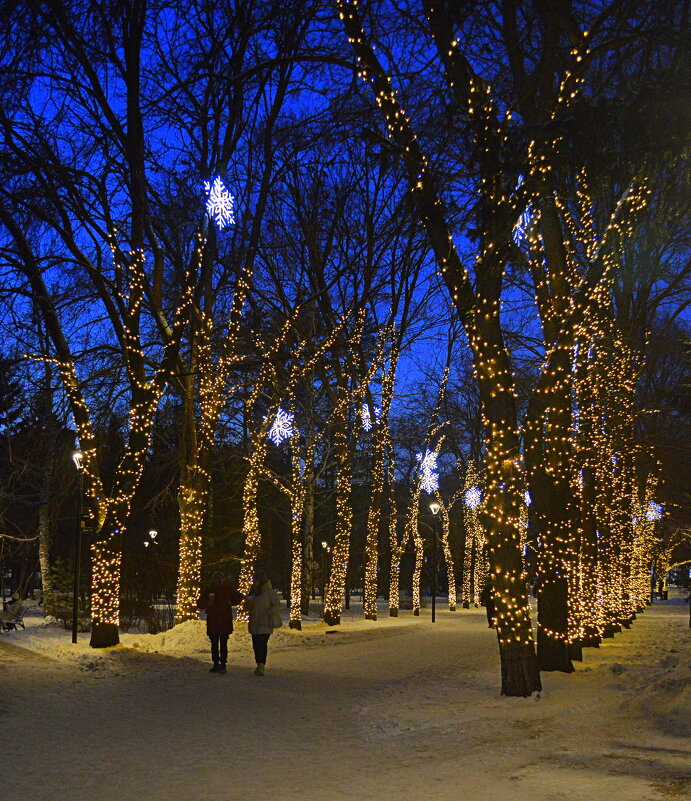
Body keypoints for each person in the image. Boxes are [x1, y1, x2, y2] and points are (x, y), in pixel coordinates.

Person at [197, 572, 244, 674]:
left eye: (220, 578)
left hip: (224, 619)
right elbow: (200, 603)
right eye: (217, 578)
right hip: (213, 619)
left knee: (223, 643)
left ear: (223, 579)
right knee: (214, 643)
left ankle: (222, 664)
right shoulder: (209, 590)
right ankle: (216, 663)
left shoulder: (228, 589)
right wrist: (207, 604)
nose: (219, 580)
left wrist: (232, 602)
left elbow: (239, 597)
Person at [246, 569, 282, 676]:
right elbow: (251, 606)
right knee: (256, 645)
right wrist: (248, 605)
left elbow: (277, 605)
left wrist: (268, 612)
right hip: (254, 622)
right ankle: (258, 664)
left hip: (264, 623)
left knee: (262, 644)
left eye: (256, 580)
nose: (254, 582)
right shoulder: (254, 592)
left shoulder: (269, 592)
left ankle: (261, 665)